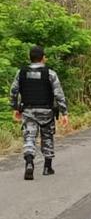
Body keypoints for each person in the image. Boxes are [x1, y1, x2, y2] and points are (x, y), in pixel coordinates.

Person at [9, 46, 69, 180]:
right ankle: (47, 167)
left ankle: (29, 162)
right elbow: (59, 94)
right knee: (47, 137)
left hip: (28, 110)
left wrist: (15, 107)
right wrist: (64, 112)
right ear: (43, 58)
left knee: (29, 137)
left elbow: (13, 91)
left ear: (30, 58)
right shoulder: (50, 73)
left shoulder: (21, 73)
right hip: (46, 111)